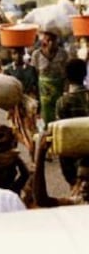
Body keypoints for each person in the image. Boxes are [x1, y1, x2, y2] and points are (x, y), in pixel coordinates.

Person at [55, 58, 89, 186]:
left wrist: (69, 175)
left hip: (75, 164)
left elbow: (61, 138)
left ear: (66, 77)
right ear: (85, 74)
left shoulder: (63, 102)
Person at [34, 133, 89, 207]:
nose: (83, 185)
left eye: (88, 180)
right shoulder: (80, 202)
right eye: (81, 179)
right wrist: (41, 153)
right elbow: (42, 201)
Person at [32, 30, 69, 125]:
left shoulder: (63, 54)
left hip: (59, 90)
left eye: (53, 40)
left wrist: (66, 90)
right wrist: (35, 93)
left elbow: (66, 75)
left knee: (60, 112)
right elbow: (34, 74)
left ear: (57, 40)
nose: (51, 43)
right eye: (48, 40)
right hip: (44, 91)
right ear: (43, 40)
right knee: (45, 114)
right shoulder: (36, 54)